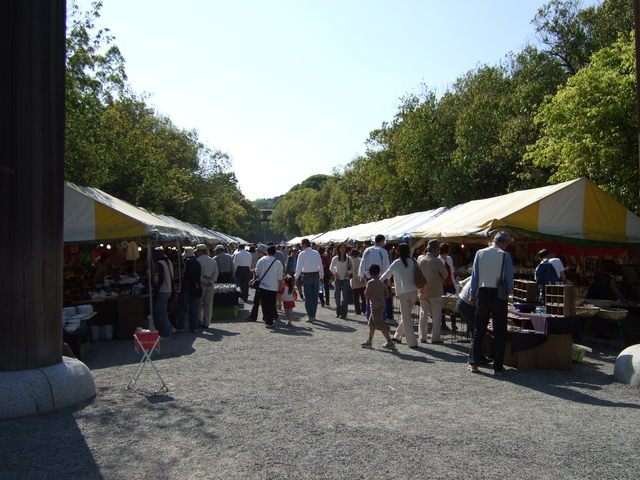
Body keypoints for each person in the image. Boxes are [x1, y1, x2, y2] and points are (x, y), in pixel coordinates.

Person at [467, 231, 514, 376]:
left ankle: (474, 363)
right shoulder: (505, 255)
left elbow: (475, 276)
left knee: (479, 330)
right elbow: (509, 278)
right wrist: (508, 292)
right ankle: (497, 367)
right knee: (500, 331)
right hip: (498, 294)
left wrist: (472, 294)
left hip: (482, 292)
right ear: (504, 243)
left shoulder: (480, 253)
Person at [380, 243, 419, 348]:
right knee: (406, 315)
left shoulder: (396, 262)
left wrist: (377, 282)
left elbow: (386, 274)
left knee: (406, 317)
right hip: (414, 291)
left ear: (398, 251)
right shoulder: (413, 261)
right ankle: (397, 336)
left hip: (403, 292)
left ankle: (412, 342)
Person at [417, 239, 448, 344]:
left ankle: (422, 336)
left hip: (422, 290)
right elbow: (445, 274)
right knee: (436, 315)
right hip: (435, 291)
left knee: (423, 314)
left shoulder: (420, 260)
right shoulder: (436, 261)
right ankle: (435, 337)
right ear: (436, 250)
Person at [360, 264, 396, 350]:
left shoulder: (370, 282)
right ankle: (369, 341)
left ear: (369, 272)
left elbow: (367, 295)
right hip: (381, 305)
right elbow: (387, 294)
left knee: (381, 325)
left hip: (375, 306)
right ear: (379, 272)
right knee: (371, 324)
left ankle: (390, 341)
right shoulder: (381, 282)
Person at [358, 234, 391, 320]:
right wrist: (388, 278)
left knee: (369, 296)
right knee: (382, 298)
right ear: (382, 241)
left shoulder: (367, 250)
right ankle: (381, 318)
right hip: (381, 277)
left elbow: (362, 263)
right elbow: (386, 265)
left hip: (368, 276)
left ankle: (370, 317)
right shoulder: (383, 251)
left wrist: (361, 275)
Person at [253, 244, 284, 328]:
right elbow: (280, 277)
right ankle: (269, 321)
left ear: (267, 252)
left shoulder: (261, 260)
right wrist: (280, 285)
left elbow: (257, 272)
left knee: (264, 303)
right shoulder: (278, 263)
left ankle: (266, 319)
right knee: (271, 303)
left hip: (262, 285)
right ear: (275, 253)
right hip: (273, 286)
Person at [294, 238, 324, 323]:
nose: (301, 246)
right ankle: (313, 315)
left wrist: (296, 277)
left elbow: (299, 267)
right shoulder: (316, 252)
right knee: (315, 296)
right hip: (316, 275)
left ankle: (311, 316)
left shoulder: (302, 254)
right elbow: (320, 265)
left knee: (308, 297)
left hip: (307, 276)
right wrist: (321, 276)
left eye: (301, 244)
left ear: (304, 244)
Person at [177, 246, 202, 332]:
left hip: (186, 287)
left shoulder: (186, 263)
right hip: (195, 287)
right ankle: (194, 327)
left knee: (182, 307)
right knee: (193, 308)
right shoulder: (197, 262)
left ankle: (181, 326)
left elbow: (184, 275)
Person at [152, 247, 175, 338]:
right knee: (159, 311)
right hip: (169, 289)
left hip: (163, 290)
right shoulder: (169, 262)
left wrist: (157, 289)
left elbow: (161, 278)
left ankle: (166, 334)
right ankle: (170, 327)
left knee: (161, 313)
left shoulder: (160, 263)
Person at [195, 244, 218, 329]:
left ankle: (199, 321)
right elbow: (216, 273)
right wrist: (211, 281)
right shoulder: (212, 260)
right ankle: (207, 323)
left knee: (199, 303)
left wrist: (204, 281)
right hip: (210, 283)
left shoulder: (197, 260)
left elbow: (197, 275)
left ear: (200, 251)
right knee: (208, 304)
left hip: (201, 283)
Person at [330, 242, 352, 319]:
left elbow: (352, 267)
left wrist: (349, 273)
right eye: (341, 247)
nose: (342, 249)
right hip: (338, 279)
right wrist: (335, 273)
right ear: (338, 249)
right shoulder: (335, 258)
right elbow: (331, 267)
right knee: (337, 295)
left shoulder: (349, 258)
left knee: (345, 296)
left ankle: (344, 313)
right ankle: (338, 311)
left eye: (344, 247)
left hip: (346, 279)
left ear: (346, 249)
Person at [246, 245, 268, 322]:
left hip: (261, 283)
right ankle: (267, 317)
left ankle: (253, 316)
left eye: (258, 251)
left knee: (257, 301)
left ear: (262, 252)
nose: (257, 253)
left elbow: (258, 272)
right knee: (265, 302)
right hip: (267, 283)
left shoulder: (261, 260)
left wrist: (254, 278)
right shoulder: (269, 259)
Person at [349, 248, 366, 316]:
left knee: (356, 298)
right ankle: (364, 309)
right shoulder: (362, 260)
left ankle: (358, 311)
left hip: (354, 281)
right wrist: (361, 278)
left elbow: (352, 272)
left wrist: (358, 278)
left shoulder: (350, 261)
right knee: (363, 297)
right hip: (362, 281)